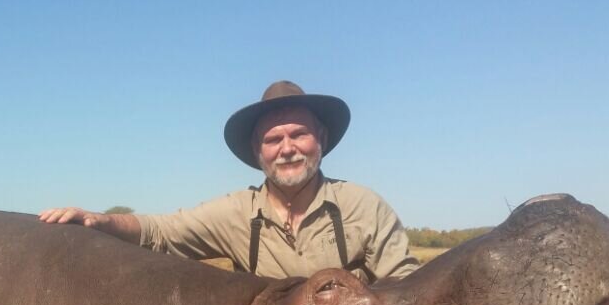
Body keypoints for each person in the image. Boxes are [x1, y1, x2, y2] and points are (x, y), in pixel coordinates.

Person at [38, 81, 419, 283]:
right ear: (258, 151)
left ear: (320, 137)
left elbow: (413, 291)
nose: (287, 149)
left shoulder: (362, 207)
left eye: (298, 134)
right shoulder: (237, 213)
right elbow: (162, 232)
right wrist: (100, 221)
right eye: (273, 139)